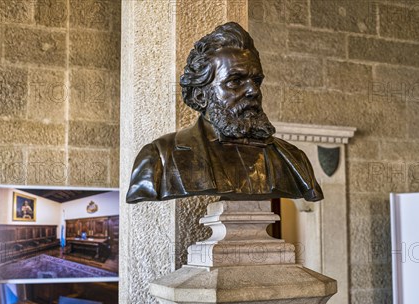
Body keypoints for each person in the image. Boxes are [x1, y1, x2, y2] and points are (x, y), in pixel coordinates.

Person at [126, 22, 323, 203]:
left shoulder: (294, 159)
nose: (253, 91)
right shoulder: (159, 157)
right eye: (235, 81)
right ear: (200, 96)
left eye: (256, 81)